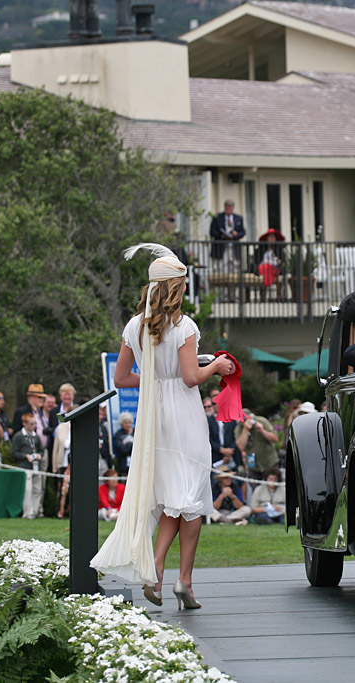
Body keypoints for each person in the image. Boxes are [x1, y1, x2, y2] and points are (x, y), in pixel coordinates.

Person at [91, 243, 235, 612]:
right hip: (184, 416)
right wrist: (215, 366)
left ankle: (159, 567)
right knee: (190, 498)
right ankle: (181, 578)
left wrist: (156, 378)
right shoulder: (184, 325)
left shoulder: (133, 325)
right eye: (184, 284)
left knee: (173, 496)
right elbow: (190, 378)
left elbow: (122, 377)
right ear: (175, 287)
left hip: (152, 418)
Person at [11, 413, 45, 519]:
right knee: (28, 489)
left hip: (36, 466)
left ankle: (35, 511)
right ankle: (28, 512)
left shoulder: (36, 436)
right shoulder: (19, 436)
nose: (33, 426)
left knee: (37, 489)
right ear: (24, 424)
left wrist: (40, 455)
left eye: (35, 423)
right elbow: (14, 453)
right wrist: (24, 456)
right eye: (31, 424)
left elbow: (41, 450)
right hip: (25, 467)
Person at [236, 409, 279, 483]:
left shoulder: (261, 421)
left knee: (272, 487)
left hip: (269, 462)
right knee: (256, 490)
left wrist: (262, 431)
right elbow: (241, 446)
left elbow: (275, 439)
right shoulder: (239, 428)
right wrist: (245, 430)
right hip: (253, 466)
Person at [51, 420, 72, 515]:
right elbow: (56, 448)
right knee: (63, 489)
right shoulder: (61, 427)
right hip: (63, 463)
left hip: (77, 464)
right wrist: (55, 467)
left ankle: (71, 512)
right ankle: (60, 511)